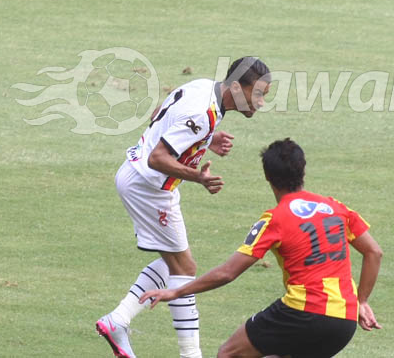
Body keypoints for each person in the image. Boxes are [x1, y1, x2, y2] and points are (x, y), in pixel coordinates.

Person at [139, 138, 383, 358]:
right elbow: (374, 252)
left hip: (303, 313)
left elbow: (228, 272)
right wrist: (360, 300)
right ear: (303, 170)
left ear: (267, 176)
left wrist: (176, 292)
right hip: (344, 321)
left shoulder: (274, 219)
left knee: (229, 353)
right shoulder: (336, 207)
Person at [96, 57, 272, 358]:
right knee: (184, 269)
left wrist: (204, 139)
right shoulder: (203, 113)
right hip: (148, 186)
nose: (260, 102)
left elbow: (160, 114)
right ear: (235, 87)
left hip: (138, 176)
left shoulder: (203, 87)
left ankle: (119, 320)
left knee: (175, 263)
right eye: (257, 94)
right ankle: (189, 354)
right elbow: (158, 158)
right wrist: (198, 177)